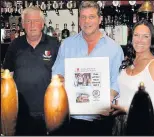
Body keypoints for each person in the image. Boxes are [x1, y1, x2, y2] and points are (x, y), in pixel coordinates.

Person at [51, 1, 124, 135]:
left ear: (99, 19)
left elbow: (117, 82)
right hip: (71, 119)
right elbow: (56, 75)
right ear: (79, 20)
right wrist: (61, 81)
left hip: (100, 120)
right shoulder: (67, 45)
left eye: (91, 17)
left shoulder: (114, 48)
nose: (86, 21)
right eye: (83, 17)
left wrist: (107, 98)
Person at [2, 6, 60, 135]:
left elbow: (63, 76)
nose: (32, 25)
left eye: (36, 21)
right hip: (21, 113)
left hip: (49, 111)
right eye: (28, 21)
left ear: (42, 23)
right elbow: (7, 77)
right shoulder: (15, 45)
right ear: (22, 24)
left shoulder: (54, 44)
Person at [110, 19, 154, 135]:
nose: (140, 40)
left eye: (145, 36)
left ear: (152, 40)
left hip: (146, 126)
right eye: (136, 35)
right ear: (131, 38)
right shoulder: (128, 61)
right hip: (121, 122)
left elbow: (153, 104)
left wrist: (124, 108)